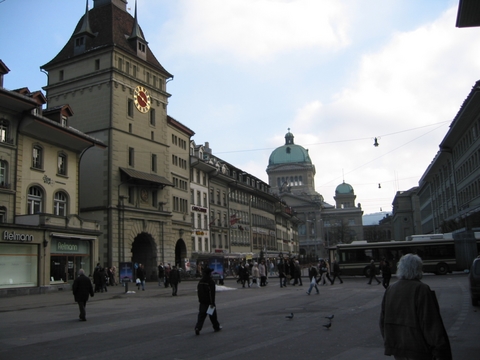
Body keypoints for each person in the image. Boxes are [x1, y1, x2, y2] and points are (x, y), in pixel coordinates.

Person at [380, 254, 452, 360]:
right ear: (418, 269)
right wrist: (439, 349)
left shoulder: (391, 289)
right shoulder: (421, 289)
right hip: (419, 350)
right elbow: (430, 323)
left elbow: (383, 321)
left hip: (398, 350)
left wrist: (392, 341)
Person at [194, 267, 222, 335]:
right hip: (210, 302)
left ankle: (198, 328)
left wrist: (200, 300)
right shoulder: (210, 282)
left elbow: (199, 292)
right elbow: (212, 294)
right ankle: (216, 327)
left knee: (201, 316)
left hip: (202, 302)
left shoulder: (201, 281)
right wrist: (212, 303)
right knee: (212, 316)